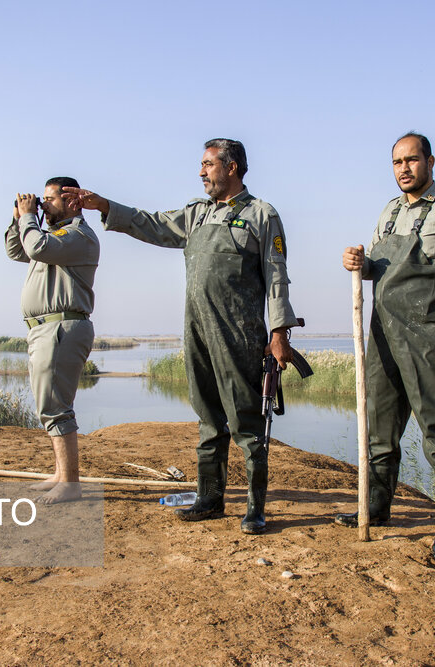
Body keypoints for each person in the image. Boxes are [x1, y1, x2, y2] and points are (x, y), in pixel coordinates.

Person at [62, 139, 300, 534]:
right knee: (207, 417)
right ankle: (210, 499)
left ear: (233, 167)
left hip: (239, 333)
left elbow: (277, 275)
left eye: (208, 165)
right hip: (196, 330)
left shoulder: (261, 214)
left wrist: (279, 332)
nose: (202, 172)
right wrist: (104, 205)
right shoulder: (196, 215)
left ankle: (255, 508)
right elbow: (151, 223)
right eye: (202, 165)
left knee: (246, 420)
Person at [335, 132, 435, 562]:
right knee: (380, 427)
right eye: (397, 162)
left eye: (412, 160)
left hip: (428, 336)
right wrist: (359, 266)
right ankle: (377, 507)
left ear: (430, 162)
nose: (404, 169)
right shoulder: (390, 211)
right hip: (382, 335)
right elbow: (382, 272)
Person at [6, 177, 100, 504]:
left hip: (61, 328)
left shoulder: (78, 237)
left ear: (72, 201)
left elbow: (35, 246)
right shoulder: (51, 237)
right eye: (41, 200)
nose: (43, 205)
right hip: (44, 330)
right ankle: (61, 475)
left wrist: (29, 219)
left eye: (49, 199)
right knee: (50, 405)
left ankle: (71, 483)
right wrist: (18, 217)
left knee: (56, 407)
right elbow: (17, 249)